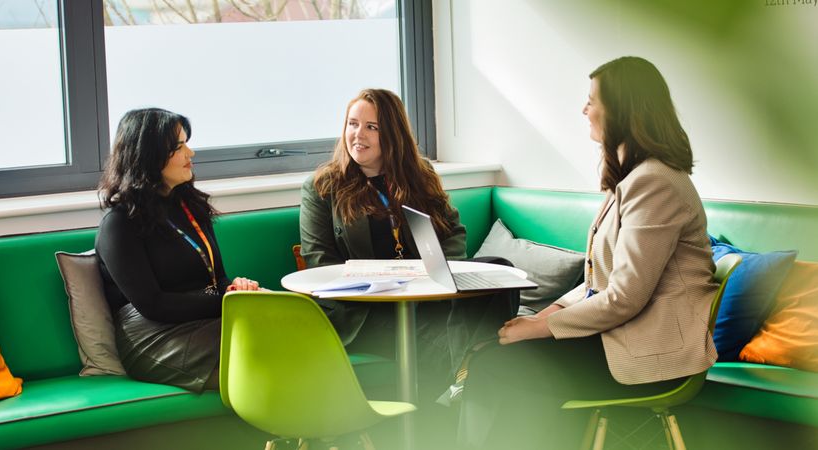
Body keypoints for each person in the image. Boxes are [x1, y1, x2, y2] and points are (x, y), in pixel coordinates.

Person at [457, 56, 720, 449]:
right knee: (496, 359)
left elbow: (625, 296)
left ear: (624, 110)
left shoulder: (654, 183)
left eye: (592, 100)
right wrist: (548, 314)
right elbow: (597, 283)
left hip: (652, 356)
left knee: (501, 365)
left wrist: (538, 328)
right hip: (623, 337)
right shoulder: (633, 179)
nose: (585, 109)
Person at [299, 88, 519, 393]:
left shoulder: (420, 173)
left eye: (371, 127)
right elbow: (318, 258)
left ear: (392, 133)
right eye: (352, 124)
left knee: (499, 269)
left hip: (425, 296)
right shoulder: (322, 186)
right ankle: (473, 376)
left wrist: (440, 272)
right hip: (366, 311)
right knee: (469, 344)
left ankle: (473, 369)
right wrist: (377, 281)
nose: (357, 134)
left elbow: (453, 232)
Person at [95, 108, 259, 392]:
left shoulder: (192, 206)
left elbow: (216, 280)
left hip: (203, 318)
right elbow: (153, 304)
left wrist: (233, 289)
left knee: (285, 324)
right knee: (263, 342)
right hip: (152, 335)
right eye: (179, 147)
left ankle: (311, 431)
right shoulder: (119, 224)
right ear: (149, 156)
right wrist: (228, 302)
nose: (190, 154)